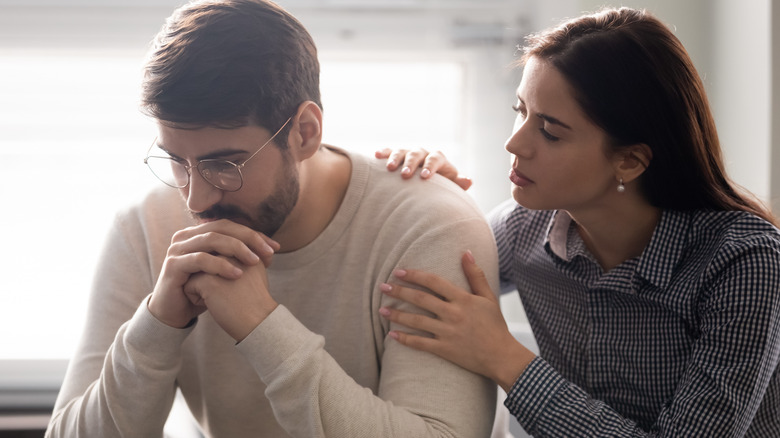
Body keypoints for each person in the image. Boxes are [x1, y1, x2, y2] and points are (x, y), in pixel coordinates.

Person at [45, 0, 503, 436]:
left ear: (305, 132)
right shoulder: (144, 229)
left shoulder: (430, 227)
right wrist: (158, 325)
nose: (197, 199)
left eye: (226, 164)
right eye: (177, 161)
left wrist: (263, 327)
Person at [377, 6, 780, 437]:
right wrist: (433, 197)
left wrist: (503, 355)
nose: (515, 142)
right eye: (521, 111)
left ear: (629, 161)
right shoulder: (523, 230)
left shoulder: (745, 261)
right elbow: (422, 271)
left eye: (550, 131)